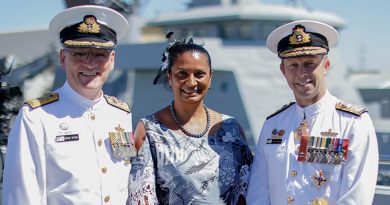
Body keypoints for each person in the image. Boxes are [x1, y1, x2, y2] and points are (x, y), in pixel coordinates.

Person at [2, 5, 135, 205]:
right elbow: (21, 198)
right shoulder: (36, 118)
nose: (90, 64)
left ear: (112, 60)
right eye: (79, 54)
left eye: (100, 54)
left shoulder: (120, 114)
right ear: (63, 59)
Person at [246, 20, 379, 205]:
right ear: (283, 70)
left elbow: (356, 197)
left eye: (310, 64)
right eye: (293, 65)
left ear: (326, 66)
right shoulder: (273, 125)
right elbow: (258, 192)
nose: (302, 73)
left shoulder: (353, 123)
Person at [126, 33, 253, 205]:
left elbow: (247, 192)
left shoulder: (232, 128)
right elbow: (141, 198)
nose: (191, 82)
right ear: (169, 77)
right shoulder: (150, 130)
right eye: (182, 74)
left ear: (210, 78)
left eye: (200, 74)